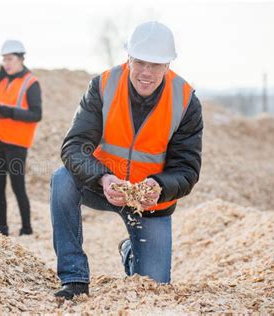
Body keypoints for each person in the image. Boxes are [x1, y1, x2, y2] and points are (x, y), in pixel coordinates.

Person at [50, 21, 203, 299]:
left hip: (152, 201)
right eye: (140, 62)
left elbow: (187, 169)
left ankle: (130, 251)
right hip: (104, 185)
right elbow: (74, 146)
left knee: (154, 289)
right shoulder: (103, 85)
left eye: (155, 65)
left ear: (168, 65)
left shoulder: (185, 100)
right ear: (128, 58)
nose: (146, 72)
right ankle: (74, 279)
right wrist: (103, 177)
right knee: (62, 180)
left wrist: (159, 186)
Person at [0, 40, 42, 236]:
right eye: (4, 59)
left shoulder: (31, 83)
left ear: (21, 59)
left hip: (16, 143)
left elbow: (36, 114)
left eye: (10, 59)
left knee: (17, 186)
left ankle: (26, 228)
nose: (6, 63)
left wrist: (8, 112)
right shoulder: (2, 79)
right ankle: (2, 228)